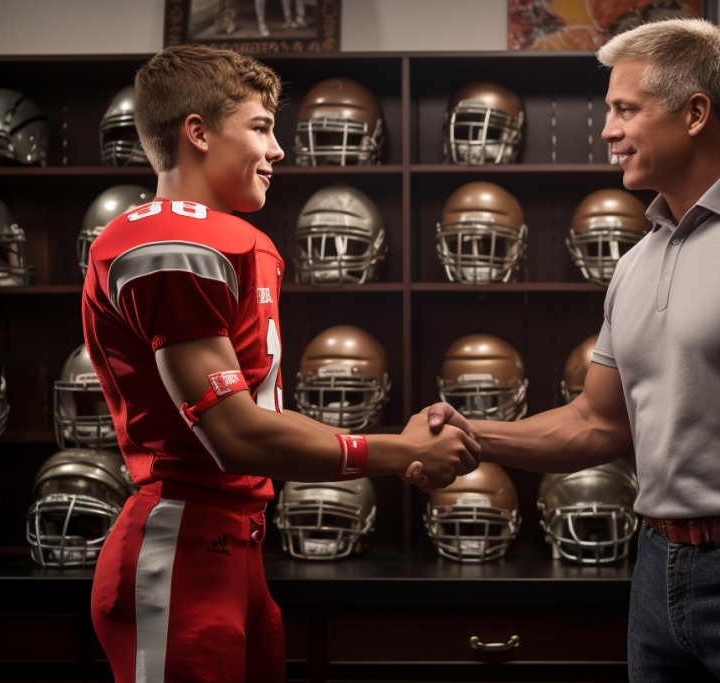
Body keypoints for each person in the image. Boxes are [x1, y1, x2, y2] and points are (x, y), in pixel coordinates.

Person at [428, 17, 720, 683]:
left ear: (694, 113)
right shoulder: (637, 261)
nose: (606, 130)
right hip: (657, 566)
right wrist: (469, 435)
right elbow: (596, 422)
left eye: (625, 109)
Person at [83, 45, 478, 683]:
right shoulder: (170, 238)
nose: (279, 150)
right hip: (180, 542)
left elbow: (252, 421)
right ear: (198, 133)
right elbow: (236, 436)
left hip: (234, 541)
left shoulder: (231, 239)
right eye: (261, 127)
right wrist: (394, 453)